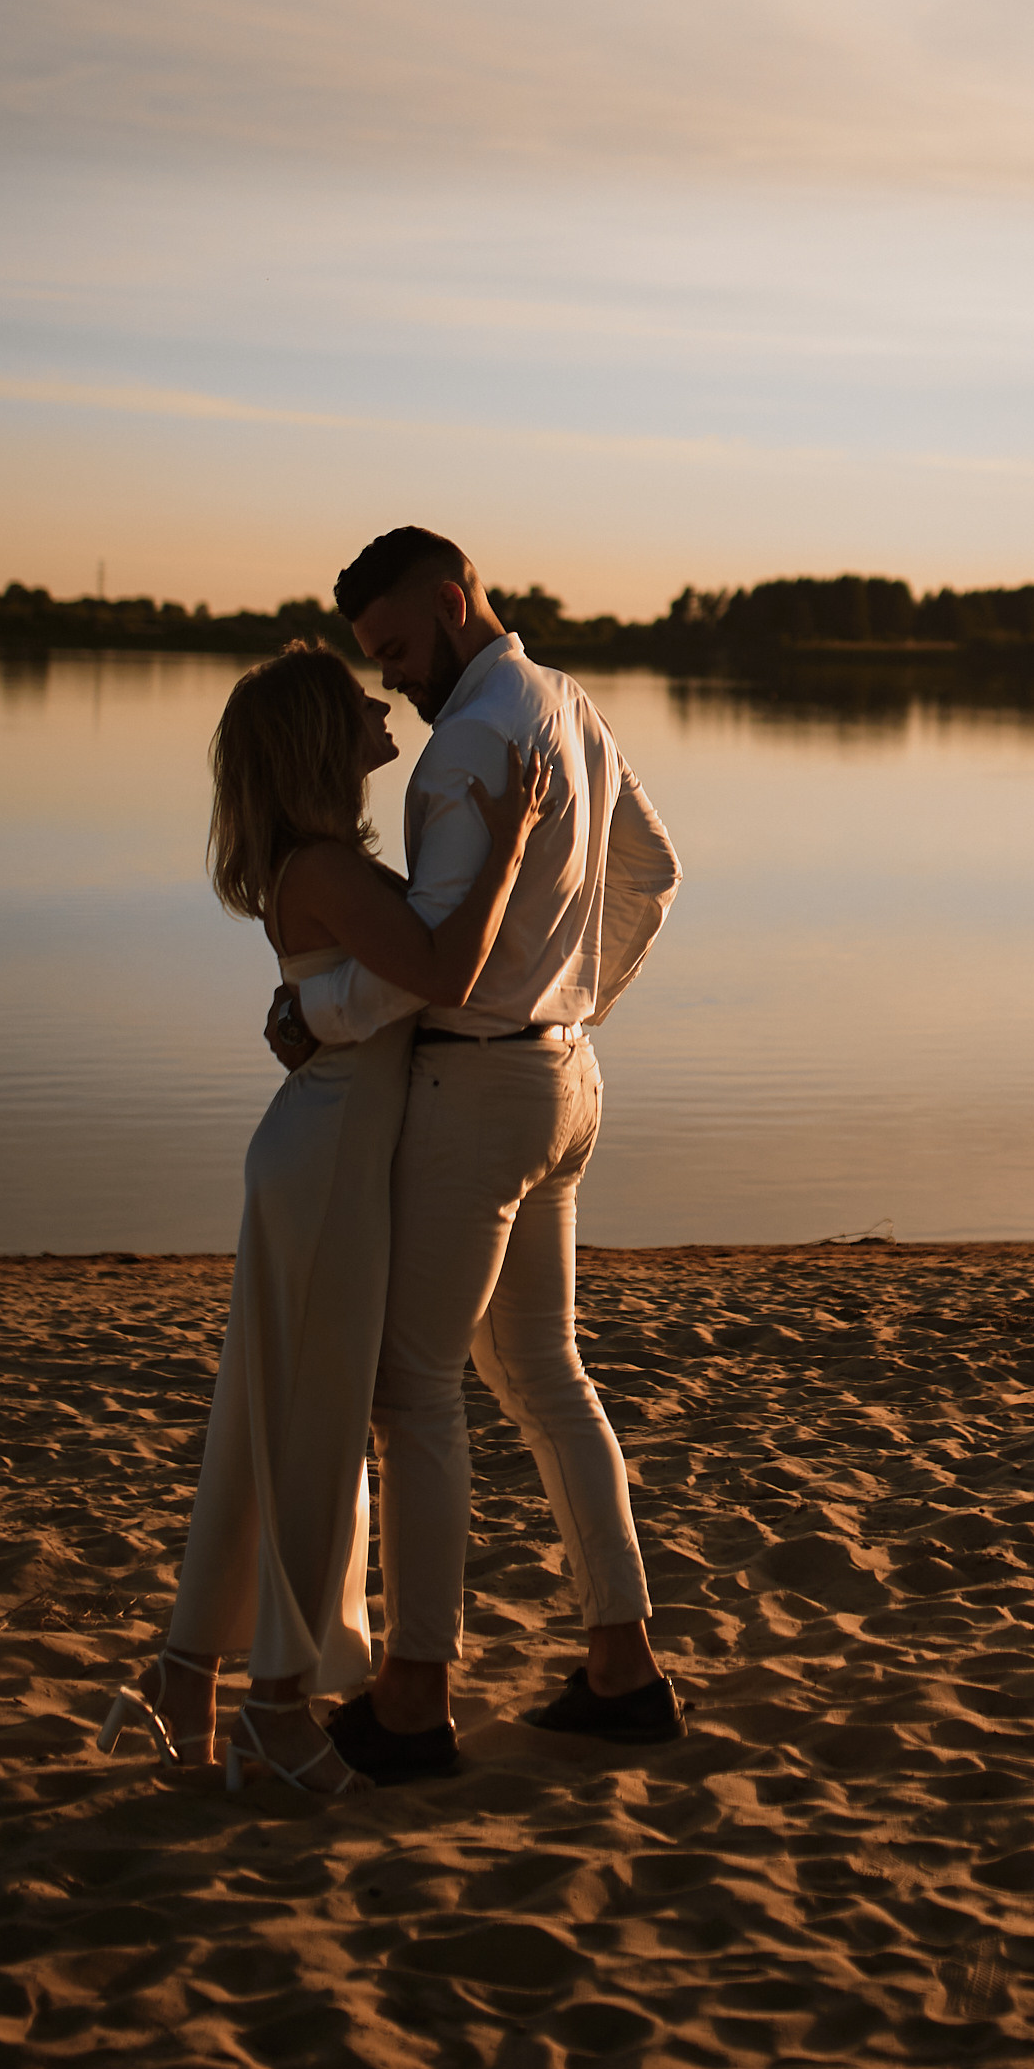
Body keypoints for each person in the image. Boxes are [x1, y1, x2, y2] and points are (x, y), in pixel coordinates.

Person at [264, 525, 684, 1782]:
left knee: (414, 1391)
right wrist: (574, 999)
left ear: (451, 600)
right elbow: (654, 870)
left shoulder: (465, 747)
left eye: (396, 647)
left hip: (479, 1091)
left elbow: (428, 961)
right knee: (545, 1371)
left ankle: (413, 1698)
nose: (391, 677)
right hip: (565, 1079)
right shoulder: (569, 704)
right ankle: (622, 1668)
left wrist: (317, 1009)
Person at [101, 640, 544, 1797]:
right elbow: (445, 971)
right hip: (328, 1162)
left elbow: (364, 980)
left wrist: (302, 1005)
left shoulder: (324, 864)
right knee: (312, 1434)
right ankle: (276, 1707)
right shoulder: (326, 868)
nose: (377, 700)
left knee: (268, 1420)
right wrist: (507, 845)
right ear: (314, 738)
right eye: (353, 698)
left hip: (324, 1150)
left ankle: (186, 1674)